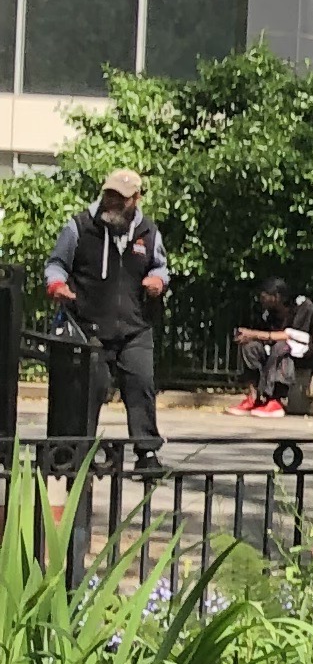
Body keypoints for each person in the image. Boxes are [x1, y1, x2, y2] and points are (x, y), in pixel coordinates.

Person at [44, 166, 170, 475]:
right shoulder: (79, 226)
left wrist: (158, 281)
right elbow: (56, 263)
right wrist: (56, 284)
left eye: (121, 198)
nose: (112, 202)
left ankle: (147, 453)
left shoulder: (149, 232)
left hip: (135, 326)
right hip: (88, 326)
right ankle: (76, 453)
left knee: (141, 385)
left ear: (136, 199)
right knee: (90, 389)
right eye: (109, 195)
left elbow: (160, 266)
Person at [230, 273, 312, 414]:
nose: (261, 300)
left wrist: (253, 333)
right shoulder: (268, 313)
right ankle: (254, 396)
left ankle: (276, 400)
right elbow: (266, 335)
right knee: (250, 347)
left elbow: (290, 335)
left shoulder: (302, 306)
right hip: (274, 349)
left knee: (282, 346)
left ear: (277, 297)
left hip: (300, 351)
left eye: (264, 297)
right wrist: (248, 337)